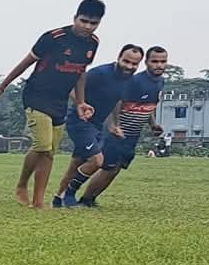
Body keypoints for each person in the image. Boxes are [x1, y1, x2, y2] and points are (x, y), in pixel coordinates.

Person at [0, 0, 104, 209]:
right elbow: (26, 63)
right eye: (84, 21)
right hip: (36, 96)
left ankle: (38, 202)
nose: (87, 27)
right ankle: (21, 185)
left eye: (93, 23)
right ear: (75, 18)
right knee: (42, 145)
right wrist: (2, 87)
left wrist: (81, 102)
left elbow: (81, 72)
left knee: (50, 151)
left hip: (60, 101)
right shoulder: (54, 38)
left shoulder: (93, 43)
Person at [72, 46, 168, 207]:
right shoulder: (136, 81)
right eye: (155, 61)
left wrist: (153, 124)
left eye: (163, 61)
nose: (159, 65)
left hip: (132, 134)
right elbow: (117, 101)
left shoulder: (159, 83)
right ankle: (75, 196)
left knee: (115, 168)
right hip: (117, 132)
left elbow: (149, 106)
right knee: (107, 166)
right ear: (146, 62)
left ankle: (89, 199)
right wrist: (115, 125)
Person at [52, 43, 143, 206]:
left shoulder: (129, 81)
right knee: (97, 160)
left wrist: (115, 124)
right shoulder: (100, 73)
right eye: (126, 61)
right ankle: (70, 195)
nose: (129, 66)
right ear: (119, 58)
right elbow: (72, 87)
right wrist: (81, 104)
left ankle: (58, 198)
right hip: (80, 121)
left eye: (134, 64)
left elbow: (117, 101)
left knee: (77, 163)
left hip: (97, 125)